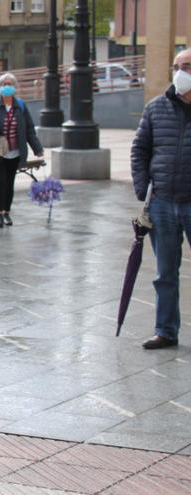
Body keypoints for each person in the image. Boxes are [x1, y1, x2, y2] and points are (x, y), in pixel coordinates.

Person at [130, 49, 191, 350]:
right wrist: (144, 189)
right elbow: (140, 149)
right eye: (176, 66)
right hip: (163, 202)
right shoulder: (156, 108)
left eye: (187, 66)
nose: (180, 72)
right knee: (165, 272)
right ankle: (166, 330)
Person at [0, 72, 44, 228]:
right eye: (4, 84)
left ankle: (7, 213)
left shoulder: (20, 106)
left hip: (15, 152)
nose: (7, 87)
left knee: (10, 182)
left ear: (14, 87)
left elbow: (29, 129)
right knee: (1, 181)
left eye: (10, 84)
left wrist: (37, 148)